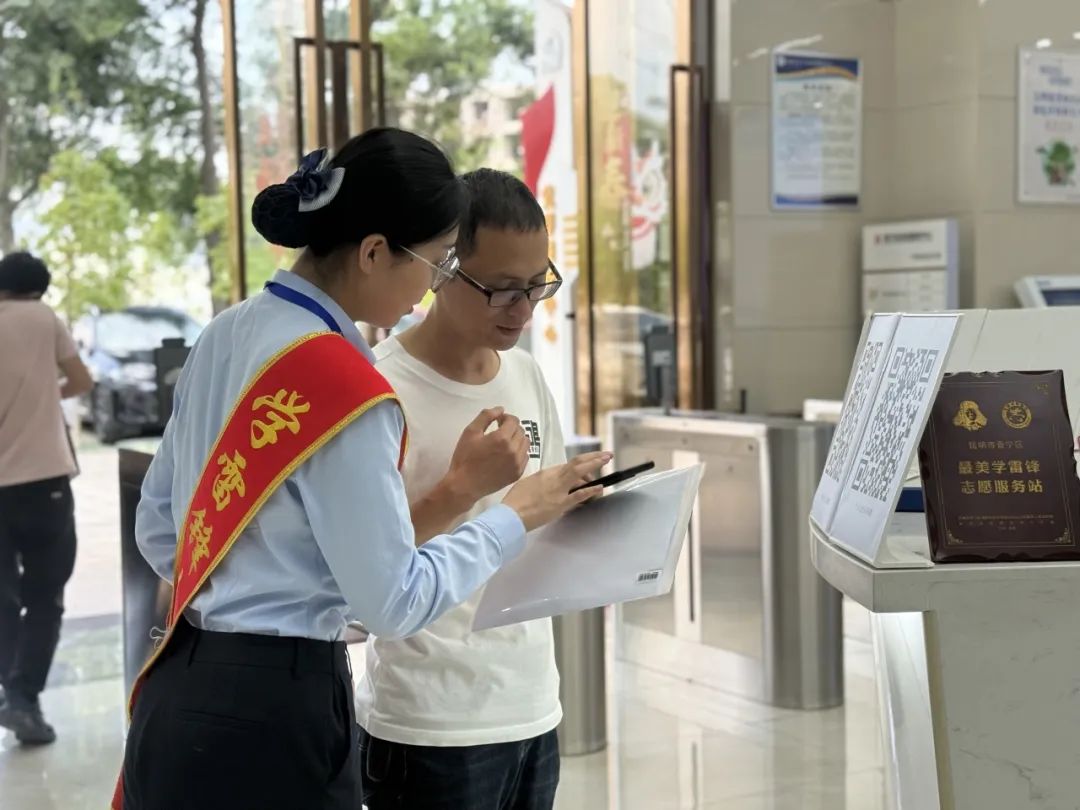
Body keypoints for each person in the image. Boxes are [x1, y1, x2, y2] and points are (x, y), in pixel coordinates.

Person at [114, 130, 608, 810]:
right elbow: (392, 603)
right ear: (375, 252)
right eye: (436, 263)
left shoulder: (226, 332)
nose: (431, 286)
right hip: (281, 710)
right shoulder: (348, 383)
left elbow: (160, 530)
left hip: (185, 682)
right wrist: (512, 515)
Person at [355, 169, 578, 810]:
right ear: (442, 267)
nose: (525, 309)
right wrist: (461, 487)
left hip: (532, 702)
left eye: (538, 286)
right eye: (503, 290)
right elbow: (360, 572)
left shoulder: (527, 374)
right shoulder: (378, 390)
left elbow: (539, 520)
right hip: (428, 720)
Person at [0, 252, 93, 745]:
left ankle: (7, 688)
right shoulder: (44, 319)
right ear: (39, 287)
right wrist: (42, 392)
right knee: (45, 597)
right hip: (44, 483)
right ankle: (23, 697)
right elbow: (81, 381)